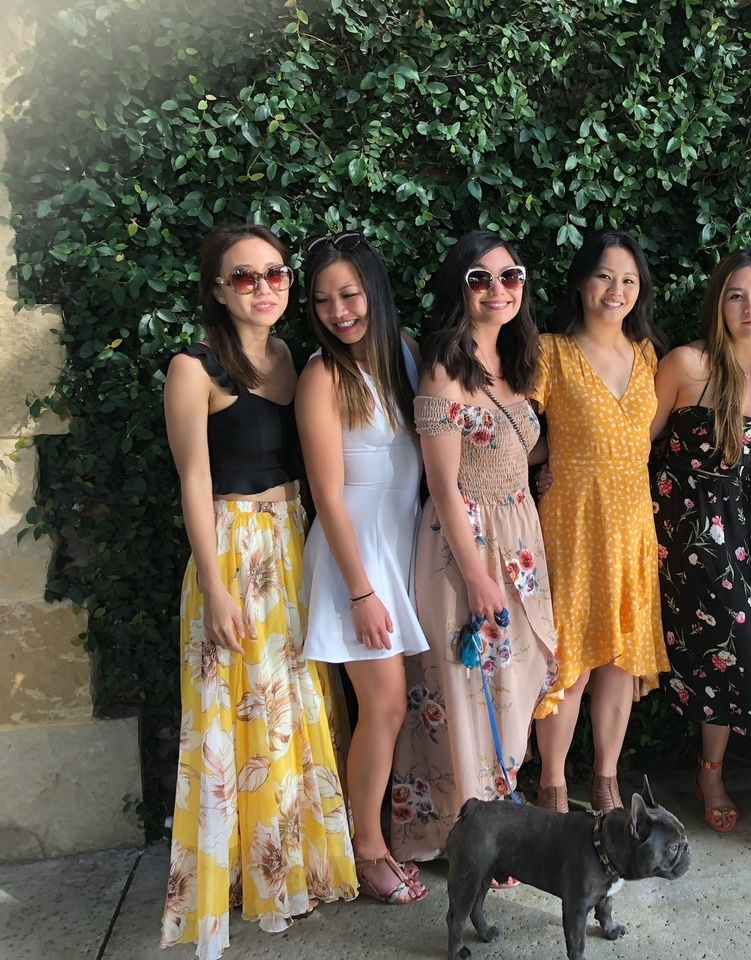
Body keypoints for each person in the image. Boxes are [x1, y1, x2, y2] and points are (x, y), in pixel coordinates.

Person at [160, 224, 357, 958]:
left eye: (274, 273)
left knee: (296, 714)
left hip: (294, 546)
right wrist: (214, 588)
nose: (264, 287)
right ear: (216, 289)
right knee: (232, 724)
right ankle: (248, 881)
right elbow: (193, 479)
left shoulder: (297, 358)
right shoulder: (195, 368)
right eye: (244, 277)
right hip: (233, 555)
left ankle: (294, 869)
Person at [389, 230, 557, 863]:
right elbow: (442, 481)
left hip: (520, 539)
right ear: (458, 288)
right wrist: (478, 577)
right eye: (480, 279)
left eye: (509, 276)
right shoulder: (444, 367)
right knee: (464, 692)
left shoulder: (519, 360)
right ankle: (466, 841)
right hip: (466, 548)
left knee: (518, 684)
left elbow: (514, 444)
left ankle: (500, 827)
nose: (497, 290)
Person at [296, 232, 429, 902]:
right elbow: (328, 494)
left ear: (374, 290)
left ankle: (386, 834)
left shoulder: (403, 358)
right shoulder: (322, 375)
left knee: (391, 709)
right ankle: (368, 850)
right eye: (323, 300)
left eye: (349, 294)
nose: (338, 310)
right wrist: (361, 593)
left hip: (399, 550)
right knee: (384, 706)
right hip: (355, 561)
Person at [649, 247, 751, 832]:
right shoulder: (687, 364)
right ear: (719, 305)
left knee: (746, 652)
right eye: (736, 294)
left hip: (750, 541)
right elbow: (638, 444)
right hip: (681, 539)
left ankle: (712, 765)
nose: (750, 306)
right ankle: (709, 772)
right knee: (723, 645)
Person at [531, 229, 667, 814]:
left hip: (633, 524)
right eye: (605, 276)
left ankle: (607, 779)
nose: (617, 290)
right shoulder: (551, 352)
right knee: (571, 662)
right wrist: (542, 469)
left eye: (629, 280)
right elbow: (517, 434)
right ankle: (553, 783)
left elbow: (642, 439)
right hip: (572, 524)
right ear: (582, 283)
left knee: (619, 661)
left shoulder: (648, 355)